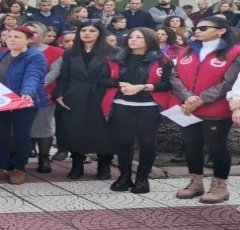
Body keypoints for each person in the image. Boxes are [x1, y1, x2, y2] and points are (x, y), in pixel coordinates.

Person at [171, 16, 240, 203]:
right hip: (187, 108)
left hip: (216, 110)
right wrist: (187, 97)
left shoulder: (234, 52)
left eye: (203, 28)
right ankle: (196, 183)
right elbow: (175, 77)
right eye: (196, 28)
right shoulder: (187, 50)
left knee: (217, 148)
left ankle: (220, 187)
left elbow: (229, 83)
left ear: (221, 30)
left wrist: (201, 99)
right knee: (192, 146)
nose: (197, 31)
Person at [102, 28, 173, 194]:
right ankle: (124, 176)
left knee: (147, 141)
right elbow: (102, 79)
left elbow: (168, 84)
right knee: (123, 141)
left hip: (149, 105)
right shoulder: (115, 58)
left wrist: (142, 87)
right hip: (121, 103)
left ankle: (142, 177)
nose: (132, 39)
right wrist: (121, 85)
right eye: (131, 36)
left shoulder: (162, 60)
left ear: (149, 40)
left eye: (138, 37)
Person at [53, 20, 116, 180]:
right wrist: (59, 94)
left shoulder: (112, 52)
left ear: (100, 33)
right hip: (75, 94)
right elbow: (64, 76)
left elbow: (116, 75)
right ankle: (77, 164)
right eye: (83, 30)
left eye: (92, 31)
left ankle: (104, 165)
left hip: (101, 95)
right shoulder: (70, 52)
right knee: (75, 130)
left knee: (103, 132)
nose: (86, 33)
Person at [0, 26, 47, 185]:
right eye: (9, 36)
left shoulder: (35, 56)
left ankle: (19, 169)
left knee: (21, 136)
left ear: (29, 39)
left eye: (17, 37)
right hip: (1, 102)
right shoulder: (0, 54)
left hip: (24, 102)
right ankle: (1, 168)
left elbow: (33, 76)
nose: (11, 39)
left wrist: (28, 92)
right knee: (1, 135)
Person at [25, 21, 64, 173]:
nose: (31, 35)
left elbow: (55, 72)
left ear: (42, 34)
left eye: (34, 32)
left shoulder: (54, 52)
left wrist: (36, 86)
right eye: (27, 32)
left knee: (43, 126)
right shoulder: (14, 50)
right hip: (19, 95)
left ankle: (44, 158)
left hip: (44, 93)